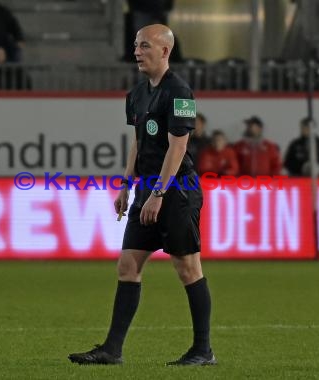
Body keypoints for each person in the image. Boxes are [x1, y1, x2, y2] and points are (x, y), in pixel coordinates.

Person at [68, 24, 216, 366]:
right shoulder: (136, 94)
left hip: (176, 190)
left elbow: (178, 147)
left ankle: (203, 350)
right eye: (136, 45)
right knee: (127, 264)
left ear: (165, 51)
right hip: (149, 188)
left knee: (187, 267)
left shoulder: (179, 92)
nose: (137, 51)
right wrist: (126, 185)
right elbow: (139, 141)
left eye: (144, 45)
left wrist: (159, 193)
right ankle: (112, 350)